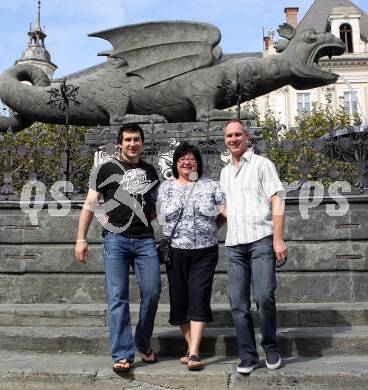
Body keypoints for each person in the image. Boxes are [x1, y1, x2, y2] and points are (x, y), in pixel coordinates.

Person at [75, 123, 161, 373]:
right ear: (120, 143)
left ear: (142, 143)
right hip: (116, 240)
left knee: (153, 291)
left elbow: (154, 205)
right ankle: (123, 353)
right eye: (128, 140)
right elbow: (91, 202)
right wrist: (81, 238)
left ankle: (143, 342)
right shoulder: (106, 169)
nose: (132, 144)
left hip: (145, 239)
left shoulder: (149, 170)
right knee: (117, 297)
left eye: (136, 140)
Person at [220, 119, 288, 374]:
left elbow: (277, 200)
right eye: (229, 136)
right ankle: (247, 354)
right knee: (238, 303)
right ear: (225, 140)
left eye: (238, 134)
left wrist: (278, 239)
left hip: (261, 240)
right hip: (235, 245)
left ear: (246, 137)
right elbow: (225, 208)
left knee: (264, 296)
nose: (234, 139)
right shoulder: (225, 172)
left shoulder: (262, 164)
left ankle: (270, 346)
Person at [157, 142, 225, 371]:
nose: (187, 162)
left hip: (205, 251)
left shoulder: (210, 185)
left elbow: (226, 210)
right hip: (175, 250)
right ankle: (190, 346)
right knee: (179, 300)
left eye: (192, 158)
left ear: (198, 162)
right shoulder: (165, 187)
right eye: (183, 158)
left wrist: (214, 227)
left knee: (199, 296)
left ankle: (194, 352)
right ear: (176, 163)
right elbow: (155, 214)